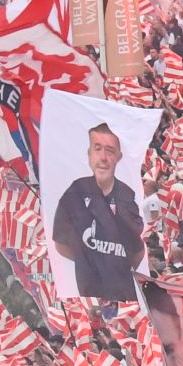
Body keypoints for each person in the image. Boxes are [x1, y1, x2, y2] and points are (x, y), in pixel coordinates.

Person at [50, 116, 145, 309]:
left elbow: (137, 251)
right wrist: (87, 260)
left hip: (125, 299)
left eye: (109, 151)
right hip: (91, 296)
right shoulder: (75, 192)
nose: (103, 157)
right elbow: (60, 243)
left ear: (118, 156)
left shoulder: (127, 196)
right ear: (89, 154)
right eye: (97, 149)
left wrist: (115, 266)